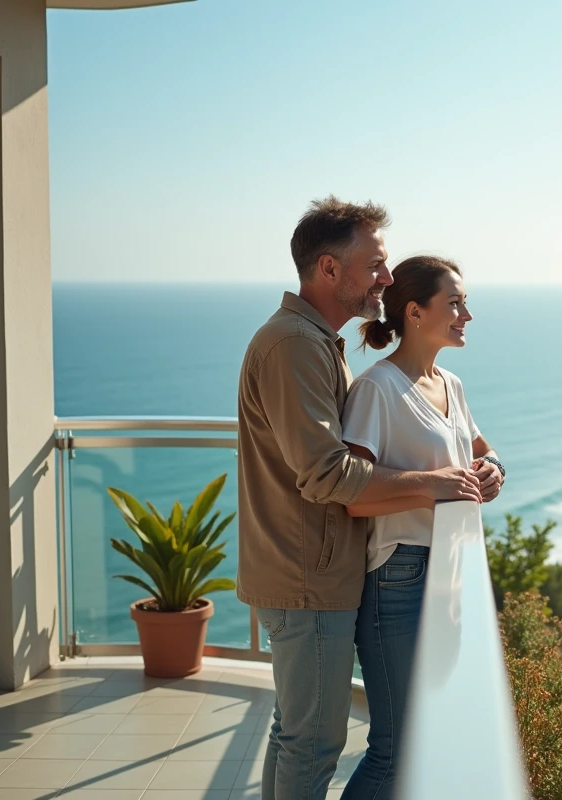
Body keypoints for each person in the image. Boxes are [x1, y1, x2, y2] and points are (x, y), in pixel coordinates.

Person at [236, 199, 483, 800]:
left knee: (295, 735)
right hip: (307, 577)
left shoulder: (315, 342)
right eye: (374, 264)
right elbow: (328, 475)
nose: (387, 279)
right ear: (328, 269)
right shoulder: (295, 344)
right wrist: (434, 482)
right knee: (314, 744)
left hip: (311, 572)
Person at [339, 255, 503, 800]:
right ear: (413, 311)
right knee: (397, 747)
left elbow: (483, 450)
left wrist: (493, 469)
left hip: (449, 575)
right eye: (454, 303)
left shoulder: (451, 384)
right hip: (398, 580)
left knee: (430, 736)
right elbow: (354, 495)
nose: (467, 315)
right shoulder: (377, 390)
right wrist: (436, 482)